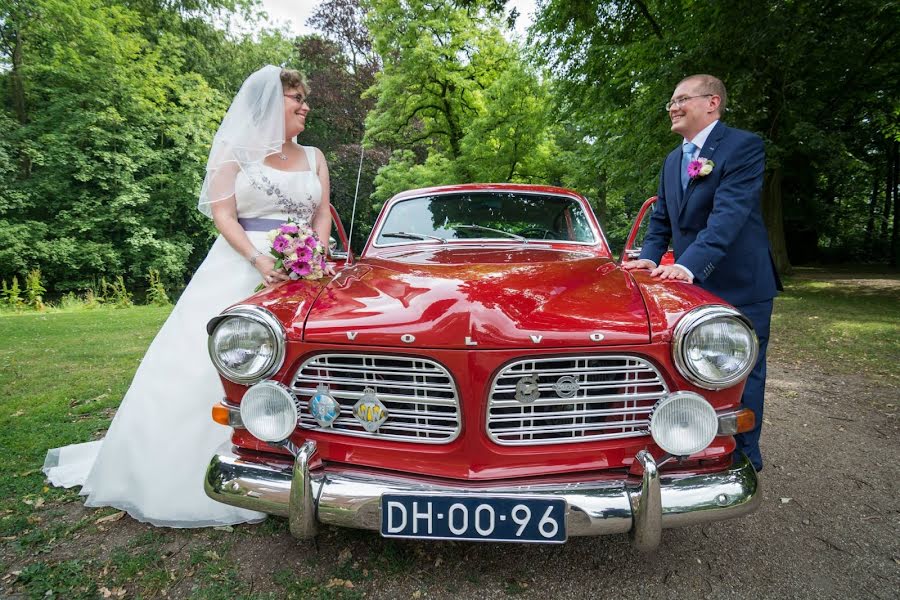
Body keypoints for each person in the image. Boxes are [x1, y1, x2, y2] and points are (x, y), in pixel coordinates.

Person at [42, 65, 332, 526]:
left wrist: (314, 256)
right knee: (215, 361)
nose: (305, 105)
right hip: (243, 265)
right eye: (295, 97)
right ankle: (197, 464)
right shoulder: (235, 153)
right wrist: (259, 261)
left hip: (306, 274)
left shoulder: (315, 156)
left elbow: (321, 214)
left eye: (304, 97)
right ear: (267, 105)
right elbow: (224, 216)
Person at [623, 74, 781, 472]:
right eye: (671, 102)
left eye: (681, 99)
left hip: (740, 282)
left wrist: (688, 264)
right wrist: (652, 258)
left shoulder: (743, 146)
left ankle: (741, 455)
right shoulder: (673, 159)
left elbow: (728, 217)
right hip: (685, 285)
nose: (673, 107)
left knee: (741, 371)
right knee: (686, 365)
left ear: (712, 103)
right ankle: (685, 443)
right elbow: (662, 219)